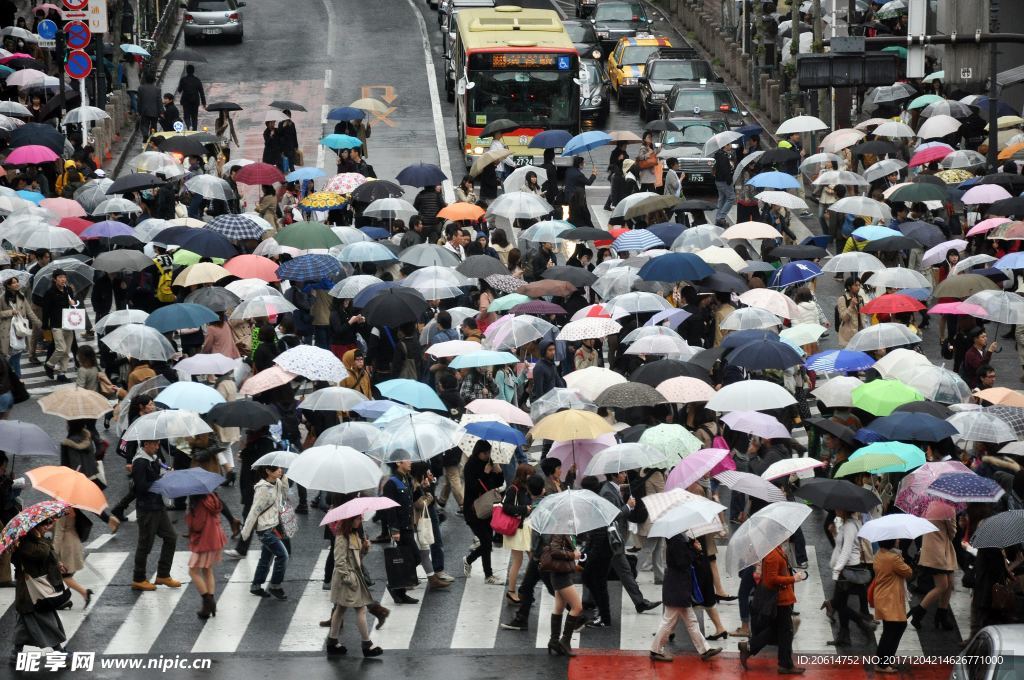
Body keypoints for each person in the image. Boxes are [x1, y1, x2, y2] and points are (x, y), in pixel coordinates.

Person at [650, 534, 723, 662]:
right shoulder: (677, 539)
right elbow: (682, 562)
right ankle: (656, 650)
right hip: (678, 586)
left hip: (678, 586)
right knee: (669, 621)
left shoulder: (676, 538)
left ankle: (705, 650)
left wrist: (691, 546)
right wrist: (694, 550)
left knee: (691, 621)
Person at [739, 540, 807, 674]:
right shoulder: (772, 555)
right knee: (786, 631)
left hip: (782, 598)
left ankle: (749, 647)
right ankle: (785, 664)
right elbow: (771, 580)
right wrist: (793, 579)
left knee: (778, 630)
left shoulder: (776, 550)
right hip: (780, 600)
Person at [10, 517, 69, 665]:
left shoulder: (34, 540)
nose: (47, 527)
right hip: (31, 592)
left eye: (48, 524)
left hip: (32, 592)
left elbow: (49, 553)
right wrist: (41, 539)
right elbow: (41, 553)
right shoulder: (26, 544)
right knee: (46, 621)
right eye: (44, 525)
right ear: (34, 528)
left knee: (25, 625)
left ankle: (16, 654)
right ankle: (59, 652)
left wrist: (58, 563)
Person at [326, 514, 384, 657]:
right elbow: (339, 561)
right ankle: (367, 645)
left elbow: (358, 558)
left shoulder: (354, 534)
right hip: (347, 579)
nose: (360, 521)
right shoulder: (342, 537)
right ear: (350, 520)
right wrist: (349, 579)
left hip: (353, 577)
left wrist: (365, 548)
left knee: (340, 608)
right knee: (361, 609)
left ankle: (332, 642)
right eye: (358, 519)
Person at [131, 439, 181, 592]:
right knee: (145, 544)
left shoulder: (153, 459)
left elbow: (159, 473)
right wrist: (161, 480)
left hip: (158, 506)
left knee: (171, 537)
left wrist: (167, 472)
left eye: (158, 444)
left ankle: (163, 575)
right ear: (146, 444)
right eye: (155, 444)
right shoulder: (140, 462)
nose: (158, 447)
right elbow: (140, 487)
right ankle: (138, 579)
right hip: (147, 509)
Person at [239, 465, 289, 600]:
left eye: (280, 468)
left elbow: (283, 498)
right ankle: (275, 586)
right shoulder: (262, 489)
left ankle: (256, 586)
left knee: (266, 558)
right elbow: (254, 510)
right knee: (283, 556)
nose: (280, 470)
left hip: (274, 525)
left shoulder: (278, 482)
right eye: (277, 469)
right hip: (265, 529)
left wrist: (284, 481)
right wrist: (245, 532)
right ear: (268, 471)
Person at [462, 440, 505, 584]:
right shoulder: (470, 466)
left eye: (489, 453)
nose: (487, 455)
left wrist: (499, 471)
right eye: (485, 453)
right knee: (486, 541)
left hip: (488, 508)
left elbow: (498, 483)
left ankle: (485, 572)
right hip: (473, 510)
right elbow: (474, 488)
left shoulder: (490, 463)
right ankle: (486, 573)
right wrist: (485, 473)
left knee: (487, 542)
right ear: (478, 452)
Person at [871, 539, 914, 674]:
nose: (898, 540)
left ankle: (887, 659)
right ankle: (882, 664)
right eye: (896, 539)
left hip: (884, 596)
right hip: (890, 598)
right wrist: (900, 556)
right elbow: (908, 572)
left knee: (891, 628)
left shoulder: (879, 554)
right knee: (894, 628)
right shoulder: (893, 558)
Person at [541, 532, 587, 656]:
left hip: (562, 573)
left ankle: (554, 641)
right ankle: (565, 641)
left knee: (559, 607)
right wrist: (573, 555)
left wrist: (574, 550)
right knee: (577, 607)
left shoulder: (565, 530)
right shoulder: (559, 530)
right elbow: (555, 551)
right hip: (560, 575)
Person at [381, 458, 419, 604]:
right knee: (413, 558)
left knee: (408, 559)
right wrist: (394, 529)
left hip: (408, 526)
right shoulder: (391, 483)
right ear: (398, 463)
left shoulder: (406, 479)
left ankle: (399, 590)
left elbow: (410, 501)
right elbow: (390, 508)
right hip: (401, 528)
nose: (410, 462)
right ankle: (396, 588)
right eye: (407, 459)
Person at [909, 517, 957, 630]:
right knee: (942, 586)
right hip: (938, 551)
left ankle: (942, 615)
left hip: (938, 548)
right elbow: (952, 532)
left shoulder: (929, 508)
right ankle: (918, 611)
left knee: (949, 583)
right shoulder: (946, 510)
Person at [186, 490, 227, 619]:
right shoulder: (211, 497)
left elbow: (198, 525)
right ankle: (210, 603)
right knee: (207, 570)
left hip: (204, 540)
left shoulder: (199, 503)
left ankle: (208, 601)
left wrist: (190, 516)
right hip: (215, 537)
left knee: (193, 571)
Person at [501, 463, 535, 604]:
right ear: (523, 475)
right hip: (517, 529)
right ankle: (512, 591)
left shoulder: (526, 488)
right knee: (519, 561)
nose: (532, 477)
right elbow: (505, 507)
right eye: (529, 475)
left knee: (532, 560)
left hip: (525, 528)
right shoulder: (513, 489)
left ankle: (524, 590)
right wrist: (524, 509)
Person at [40, 269, 78, 382]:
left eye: (64, 277)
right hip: (56, 324)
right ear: (54, 279)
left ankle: (62, 373)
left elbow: (74, 305)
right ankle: (49, 364)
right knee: (61, 348)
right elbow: (46, 310)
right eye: (60, 277)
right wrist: (45, 325)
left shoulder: (68, 290)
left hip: (68, 323)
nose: (63, 279)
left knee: (66, 351)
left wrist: (73, 302)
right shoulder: (50, 293)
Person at [0, 273, 37, 377]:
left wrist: (38, 323)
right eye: (14, 283)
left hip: (20, 329)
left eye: (17, 282)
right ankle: (16, 378)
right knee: (11, 356)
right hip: (7, 330)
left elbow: (29, 312)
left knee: (17, 354)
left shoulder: (21, 296)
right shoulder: (2, 298)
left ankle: (14, 378)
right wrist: (10, 312)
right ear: (8, 285)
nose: (16, 284)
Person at [563, 156, 597, 227]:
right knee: (584, 215)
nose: (584, 164)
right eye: (583, 163)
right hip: (577, 198)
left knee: (573, 214)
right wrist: (593, 174)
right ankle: (588, 227)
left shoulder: (568, 170)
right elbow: (588, 182)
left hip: (568, 196)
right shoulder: (579, 175)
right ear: (579, 164)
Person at [836, 276, 866, 348]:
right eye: (855, 285)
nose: (858, 287)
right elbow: (844, 318)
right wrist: (851, 306)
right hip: (848, 337)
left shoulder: (860, 298)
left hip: (859, 335)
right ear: (849, 287)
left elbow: (863, 316)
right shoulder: (842, 299)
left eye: (859, 285)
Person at [176, 64, 206, 131]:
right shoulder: (197, 80)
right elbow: (201, 92)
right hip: (195, 101)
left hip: (185, 101)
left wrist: (181, 84)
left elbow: (179, 90)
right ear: (193, 71)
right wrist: (204, 103)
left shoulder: (183, 80)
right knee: (194, 117)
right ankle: (194, 130)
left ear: (186, 71)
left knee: (186, 116)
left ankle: (189, 126)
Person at [713, 146, 735, 226]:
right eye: (729, 144)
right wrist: (729, 180)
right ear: (725, 146)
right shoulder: (723, 157)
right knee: (731, 198)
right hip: (724, 181)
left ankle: (718, 218)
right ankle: (721, 217)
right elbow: (725, 170)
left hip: (719, 180)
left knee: (722, 199)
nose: (731, 146)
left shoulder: (719, 155)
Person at [138, 73, 162, 138]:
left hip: (144, 110)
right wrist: (161, 111)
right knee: (154, 125)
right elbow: (159, 101)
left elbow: (139, 101)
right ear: (154, 80)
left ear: (145, 80)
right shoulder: (157, 89)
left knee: (144, 124)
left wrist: (139, 111)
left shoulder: (141, 88)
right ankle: (152, 137)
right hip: (155, 111)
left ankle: (145, 134)